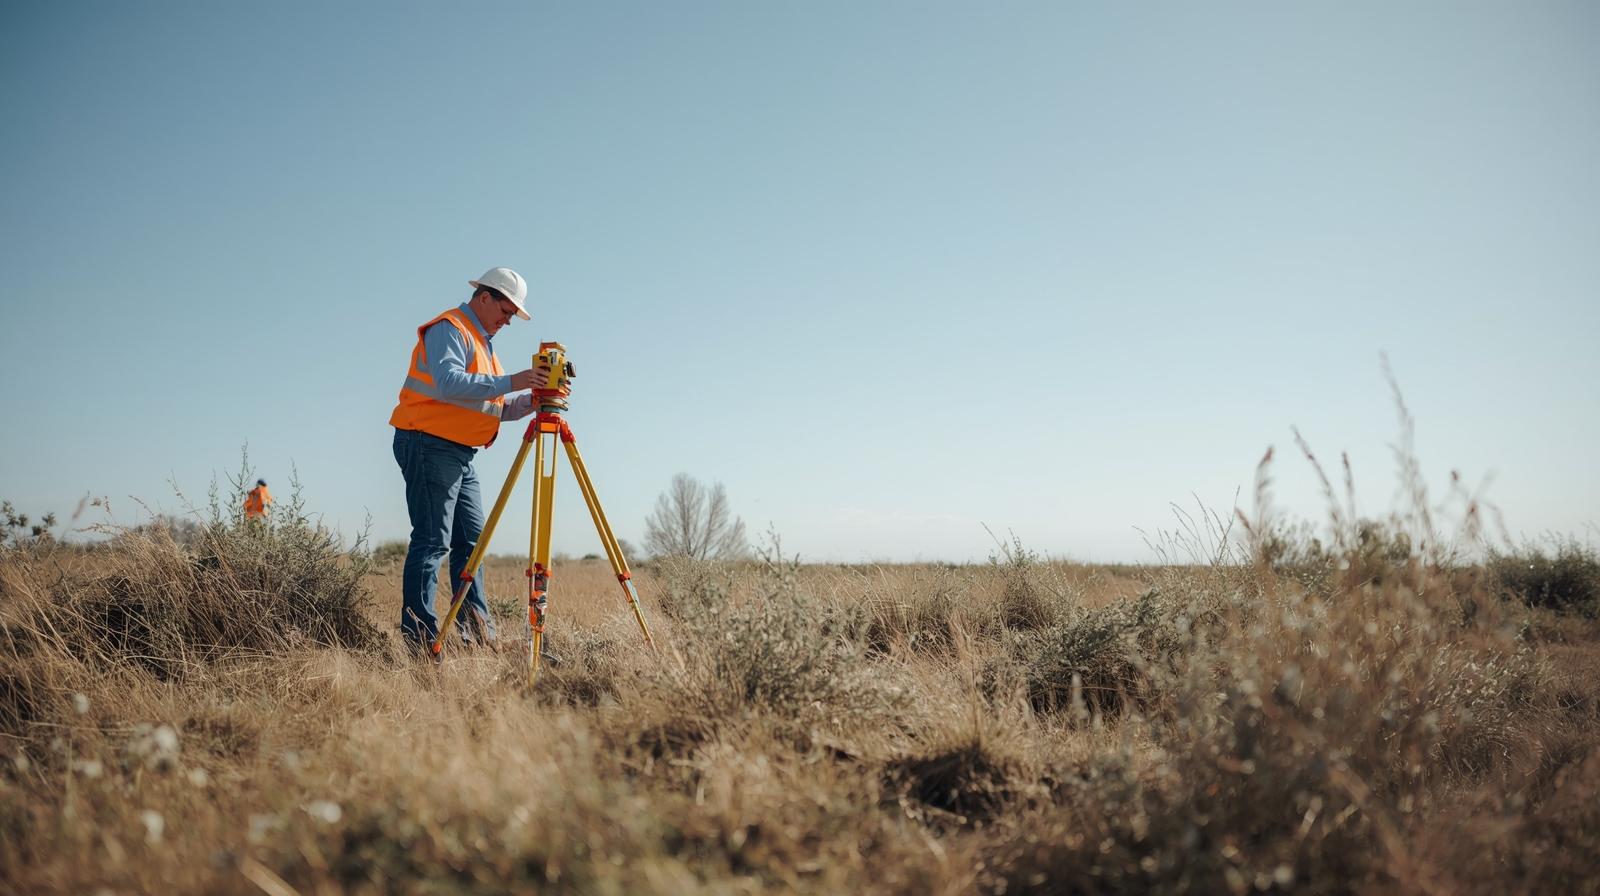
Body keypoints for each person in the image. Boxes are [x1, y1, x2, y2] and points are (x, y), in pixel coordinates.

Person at [389, 267, 556, 653]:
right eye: (507, 311)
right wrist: (514, 380)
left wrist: (533, 400)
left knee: (472, 543)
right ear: (484, 297)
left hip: (461, 453)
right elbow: (448, 383)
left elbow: (492, 406)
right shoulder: (451, 328)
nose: (508, 321)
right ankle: (419, 640)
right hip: (428, 442)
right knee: (432, 541)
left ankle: (476, 634)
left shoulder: (484, 345)